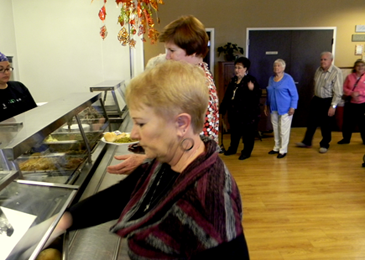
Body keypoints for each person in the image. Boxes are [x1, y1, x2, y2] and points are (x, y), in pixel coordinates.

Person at [51, 61, 250, 259]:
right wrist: (63, 221)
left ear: (181, 123)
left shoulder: (210, 202)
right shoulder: (169, 158)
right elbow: (125, 193)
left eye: (141, 123)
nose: (134, 134)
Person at [107, 15, 219, 174]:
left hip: (189, 173)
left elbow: (189, 147)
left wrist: (147, 161)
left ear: (193, 51)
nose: (167, 56)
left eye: (172, 51)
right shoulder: (196, 75)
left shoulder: (194, 86)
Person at [296, 52, 343, 153]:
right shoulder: (318, 70)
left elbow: (338, 92)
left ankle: (325, 144)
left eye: (325, 59)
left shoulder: (336, 72)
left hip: (328, 101)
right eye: (321, 59)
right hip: (317, 100)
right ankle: (307, 142)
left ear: (331, 60)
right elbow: (315, 84)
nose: (322, 61)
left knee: (326, 124)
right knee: (311, 122)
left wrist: (333, 106)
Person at [219, 57, 261, 160]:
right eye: (236, 67)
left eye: (239, 68)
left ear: (246, 69)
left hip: (247, 114)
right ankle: (233, 149)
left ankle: (246, 152)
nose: (237, 70)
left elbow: (257, 97)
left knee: (247, 134)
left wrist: (252, 90)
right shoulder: (233, 81)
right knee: (234, 132)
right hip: (234, 112)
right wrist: (222, 109)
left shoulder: (250, 80)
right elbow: (228, 96)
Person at [264, 59, 299, 159]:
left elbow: (294, 95)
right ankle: (276, 147)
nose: (276, 68)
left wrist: (293, 107)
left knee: (283, 130)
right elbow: (269, 93)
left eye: (279, 66)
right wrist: (266, 105)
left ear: (283, 68)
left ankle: (283, 150)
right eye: (275, 66)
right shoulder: (271, 78)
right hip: (273, 108)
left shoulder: (288, 79)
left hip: (286, 108)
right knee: (275, 128)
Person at [0, 52, 37, 122]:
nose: (6, 73)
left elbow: (33, 113)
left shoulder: (19, 87)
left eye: (8, 69)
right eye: (0, 70)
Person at [338, 59, 365, 144]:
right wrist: (352, 93)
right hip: (350, 103)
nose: (360, 67)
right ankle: (346, 139)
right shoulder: (349, 76)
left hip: (363, 104)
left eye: (362, 65)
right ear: (354, 67)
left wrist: (359, 93)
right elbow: (344, 88)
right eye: (358, 65)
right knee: (347, 123)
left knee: (363, 123)